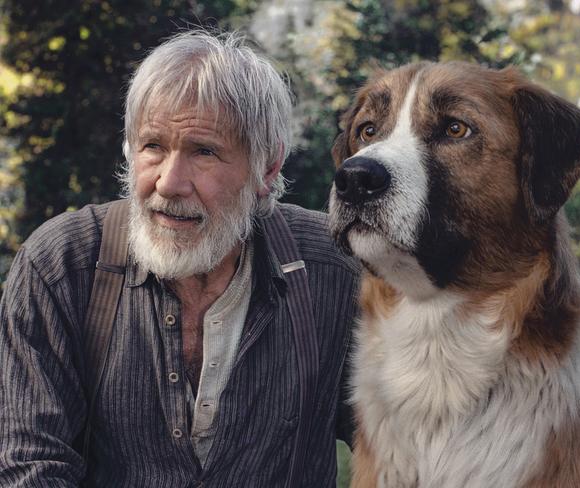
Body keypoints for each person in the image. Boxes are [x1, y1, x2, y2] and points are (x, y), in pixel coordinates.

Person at [0, 29, 359, 487]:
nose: (169, 183)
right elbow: (29, 465)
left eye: (203, 152)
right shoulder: (63, 267)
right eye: (153, 146)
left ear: (266, 169)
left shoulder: (331, 270)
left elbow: (401, 445)